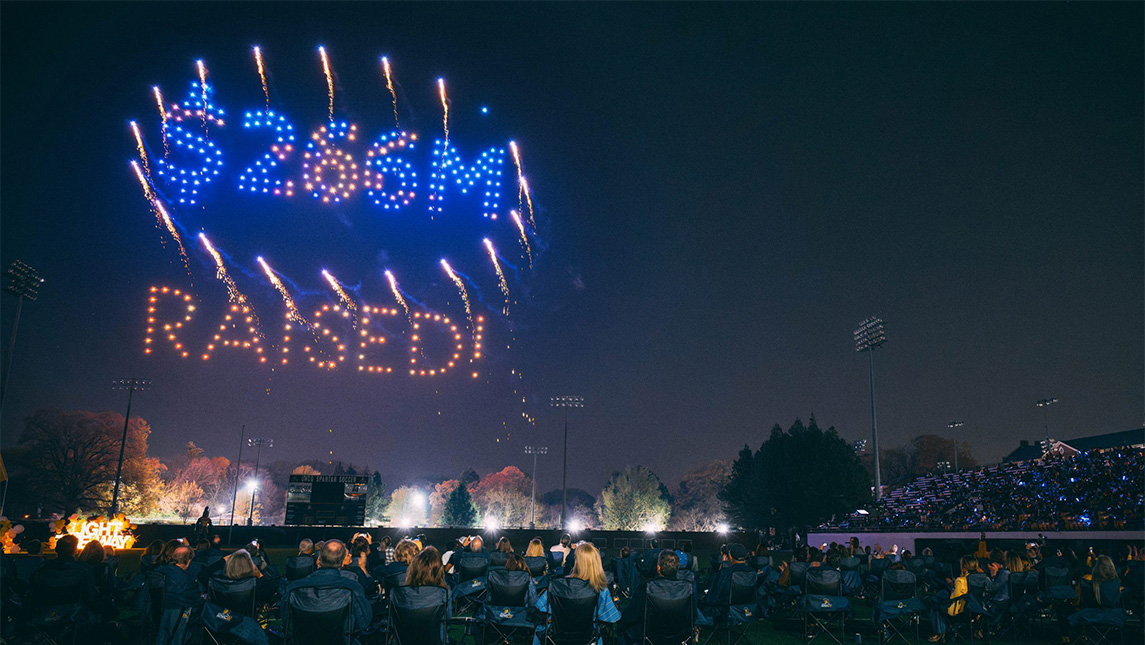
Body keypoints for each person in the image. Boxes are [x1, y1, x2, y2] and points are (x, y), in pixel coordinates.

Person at [535, 542, 620, 644]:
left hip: (557, 637)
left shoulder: (558, 586)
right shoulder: (600, 589)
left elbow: (540, 607)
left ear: (576, 561)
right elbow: (612, 617)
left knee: (540, 628)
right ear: (597, 562)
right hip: (587, 638)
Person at [282, 540, 372, 635]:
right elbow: (363, 621)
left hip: (303, 639)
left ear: (318, 559)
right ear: (342, 563)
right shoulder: (352, 587)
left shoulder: (295, 587)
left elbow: (286, 620)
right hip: (340, 639)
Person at [619, 549, 692, 643]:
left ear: (658, 568)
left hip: (651, 637)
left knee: (622, 629)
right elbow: (692, 616)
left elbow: (631, 615)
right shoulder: (687, 588)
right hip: (678, 637)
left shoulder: (646, 587)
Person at [929, 556, 979, 642]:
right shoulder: (977, 579)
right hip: (973, 608)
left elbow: (954, 597)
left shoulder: (960, 580)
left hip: (958, 608)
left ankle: (940, 633)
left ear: (964, 567)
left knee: (935, 603)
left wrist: (953, 584)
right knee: (940, 597)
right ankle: (942, 632)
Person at [702, 543, 753, 613]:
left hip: (727, 610)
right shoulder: (752, 572)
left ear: (730, 556)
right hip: (747, 608)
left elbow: (713, 597)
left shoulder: (725, 573)